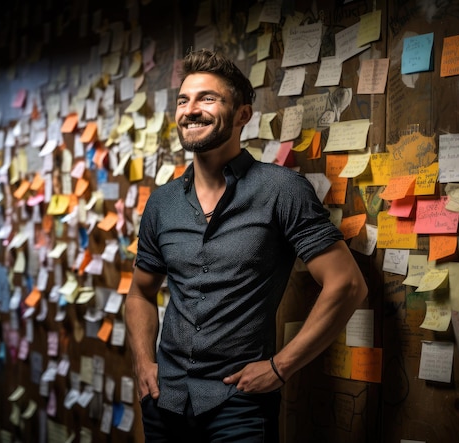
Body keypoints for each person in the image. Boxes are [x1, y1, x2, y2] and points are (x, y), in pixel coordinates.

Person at [126, 48, 368, 442]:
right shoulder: (161, 203)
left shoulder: (281, 190)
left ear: (242, 114)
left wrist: (280, 367)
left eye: (208, 98)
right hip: (163, 401)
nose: (191, 109)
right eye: (184, 100)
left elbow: (348, 284)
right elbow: (139, 292)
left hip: (236, 403)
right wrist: (142, 362)